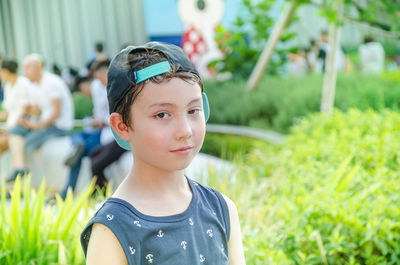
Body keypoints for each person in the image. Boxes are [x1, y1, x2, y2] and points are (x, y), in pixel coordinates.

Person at [80, 42, 246, 264]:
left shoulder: (221, 208)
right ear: (122, 126)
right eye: (162, 115)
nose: (185, 131)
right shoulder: (113, 229)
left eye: (193, 110)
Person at [6, 54, 74, 182]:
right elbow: (35, 112)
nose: (25, 71)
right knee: (14, 131)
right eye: (24, 68)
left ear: (39, 67)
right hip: (44, 124)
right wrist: (26, 120)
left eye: (28, 67)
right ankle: (19, 170)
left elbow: (56, 113)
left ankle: (19, 175)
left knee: (22, 144)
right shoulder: (33, 85)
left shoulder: (52, 82)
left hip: (58, 126)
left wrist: (37, 125)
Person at [61, 60, 112, 199]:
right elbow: (99, 111)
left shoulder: (117, 85)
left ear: (107, 73)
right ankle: (78, 145)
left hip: (109, 132)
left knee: (77, 155)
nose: (99, 81)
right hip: (99, 129)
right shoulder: (97, 86)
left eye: (100, 77)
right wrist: (95, 120)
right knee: (76, 133)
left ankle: (66, 193)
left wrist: (104, 121)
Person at [0, 60, 34, 155]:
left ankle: (20, 168)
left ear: (5, 71)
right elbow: (7, 112)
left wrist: (9, 127)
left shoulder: (23, 83)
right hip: (10, 127)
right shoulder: (7, 86)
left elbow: (25, 110)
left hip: (21, 127)